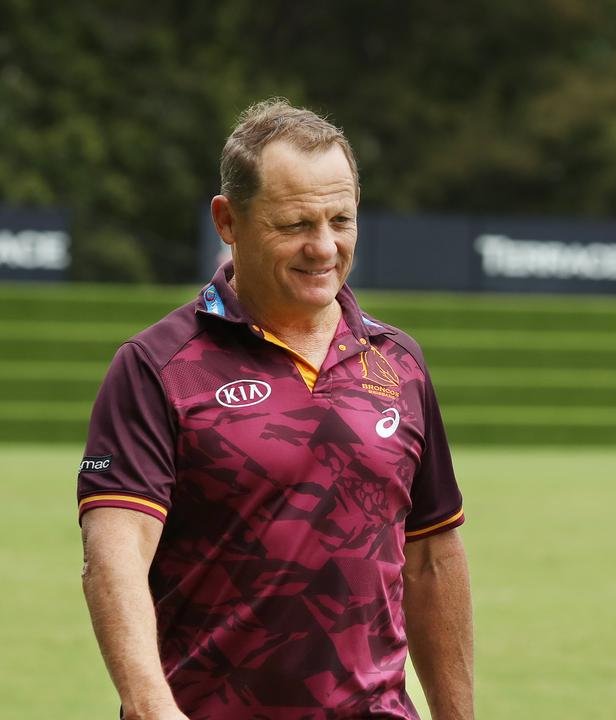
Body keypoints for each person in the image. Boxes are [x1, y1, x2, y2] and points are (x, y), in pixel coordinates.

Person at [77, 99, 473, 720]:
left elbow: (432, 558)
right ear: (227, 220)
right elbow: (116, 555)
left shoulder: (399, 363)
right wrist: (152, 708)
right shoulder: (156, 366)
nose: (323, 247)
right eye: (294, 225)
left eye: (341, 220)